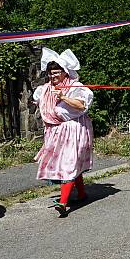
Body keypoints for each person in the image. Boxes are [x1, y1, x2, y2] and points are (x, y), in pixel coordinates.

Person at [33, 48, 94, 218]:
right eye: (51, 73)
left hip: (73, 129)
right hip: (54, 130)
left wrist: (64, 97)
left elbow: (81, 106)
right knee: (71, 163)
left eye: (56, 73)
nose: (53, 76)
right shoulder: (44, 89)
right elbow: (39, 101)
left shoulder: (75, 87)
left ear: (64, 72)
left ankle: (63, 202)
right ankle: (81, 194)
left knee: (67, 164)